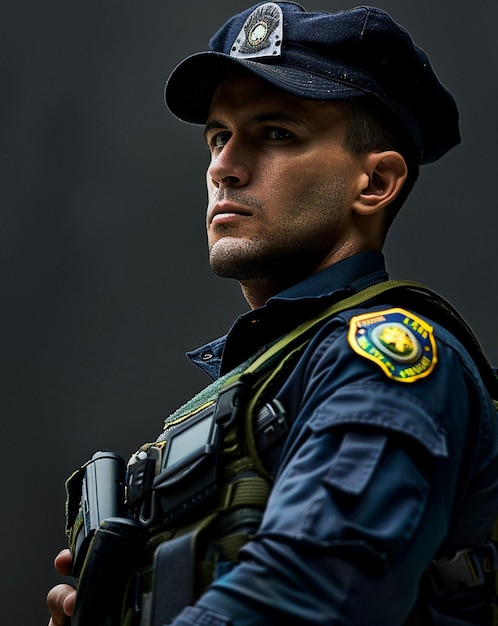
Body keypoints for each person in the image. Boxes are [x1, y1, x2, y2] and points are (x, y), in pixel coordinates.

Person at [47, 3, 498, 625]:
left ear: (374, 184)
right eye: (218, 136)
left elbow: (311, 593)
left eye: (276, 133)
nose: (223, 167)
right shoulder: (270, 377)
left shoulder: (385, 361)